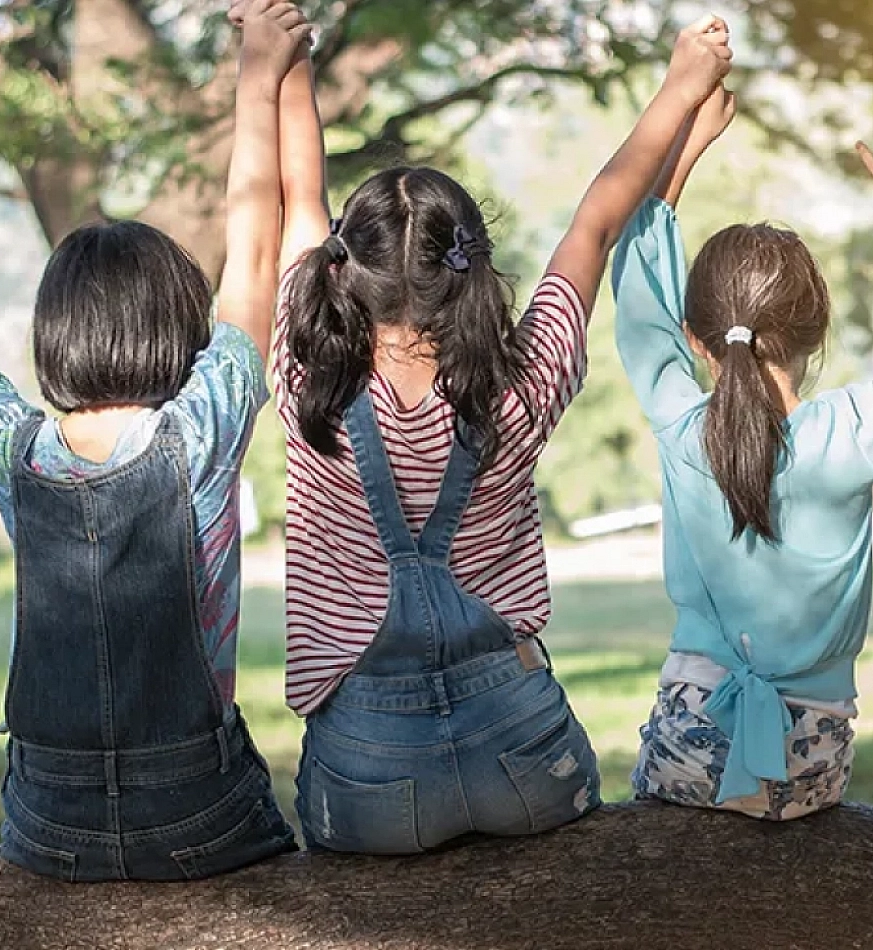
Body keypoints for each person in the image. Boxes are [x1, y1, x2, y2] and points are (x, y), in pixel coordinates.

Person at [0, 0, 311, 880]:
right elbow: (252, 255)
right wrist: (259, 74)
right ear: (179, 333)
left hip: (49, 825)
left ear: (55, 335)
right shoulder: (201, 432)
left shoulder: (18, 457)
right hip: (197, 814)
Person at [265, 10, 735, 852]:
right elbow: (595, 221)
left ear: (342, 272)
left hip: (368, 777)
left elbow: (298, 192)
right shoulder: (523, 381)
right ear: (471, 267)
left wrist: (284, 61)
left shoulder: (307, 381)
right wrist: (680, 87)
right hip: (523, 756)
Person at [613, 99, 873, 820]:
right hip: (812, 764)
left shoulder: (680, 426)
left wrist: (682, 153)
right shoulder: (851, 431)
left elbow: (639, 302)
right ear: (813, 334)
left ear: (697, 341)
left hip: (690, 747)